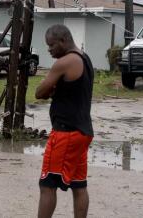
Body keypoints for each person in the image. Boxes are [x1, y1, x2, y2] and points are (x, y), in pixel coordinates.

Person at [35, 24, 94, 218]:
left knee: (47, 185)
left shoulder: (65, 61)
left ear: (63, 41)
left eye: (51, 45)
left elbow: (39, 92)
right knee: (79, 185)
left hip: (66, 133)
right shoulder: (85, 58)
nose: (49, 49)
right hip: (83, 132)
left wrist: (50, 88)